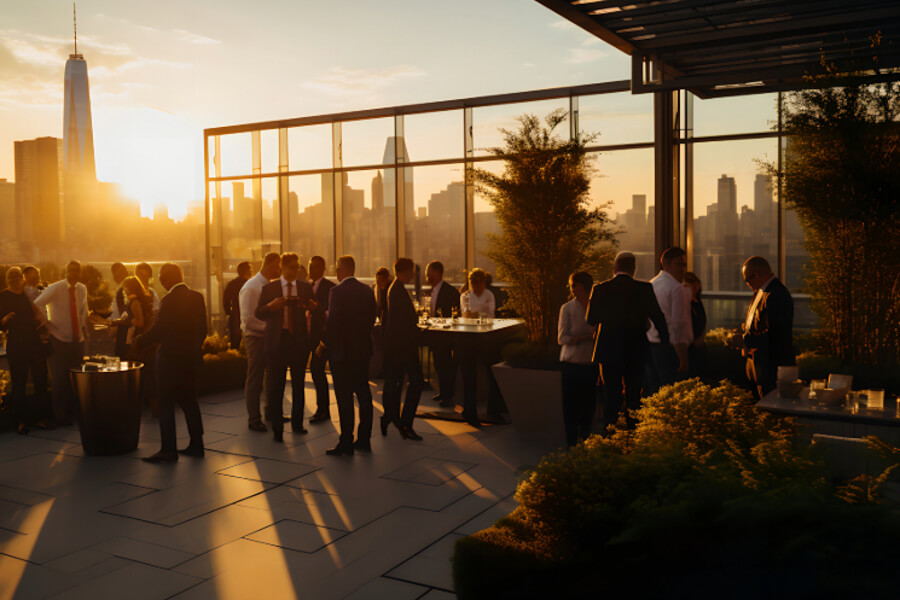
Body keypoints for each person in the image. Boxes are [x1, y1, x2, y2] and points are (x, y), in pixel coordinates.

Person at [587, 252, 669, 432]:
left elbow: (591, 319)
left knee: (611, 396)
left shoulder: (600, 289)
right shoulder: (644, 289)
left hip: (608, 351)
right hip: (636, 351)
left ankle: (610, 436)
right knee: (634, 396)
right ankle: (632, 436)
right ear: (633, 269)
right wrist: (665, 343)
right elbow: (658, 318)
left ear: (615, 268)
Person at [135, 264, 208, 463]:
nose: (159, 281)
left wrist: (140, 340)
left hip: (170, 361)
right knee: (189, 402)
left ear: (167, 279)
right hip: (190, 359)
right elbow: (203, 329)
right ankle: (197, 445)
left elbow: (160, 329)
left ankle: (168, 450)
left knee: (166, 403)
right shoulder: (197, 297)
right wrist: (193, 348)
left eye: (160, 278)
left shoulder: (168, 300)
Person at [317, 255, 377, 456]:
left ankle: (346, 441)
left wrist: (323, 344)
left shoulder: (336, 292)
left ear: (342, 269)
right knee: (364, 395)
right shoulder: (367, 291)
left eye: (336, 267)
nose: (335, 271)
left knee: (344, 398)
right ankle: (364, 439)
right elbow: (371, 319)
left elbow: (333, 323)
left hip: (342, 353)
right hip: (361, 351)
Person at [255, 252, 316, 442]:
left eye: (297, 267)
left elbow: (315, 311)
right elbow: (258, 313)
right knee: (276, 386)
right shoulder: (270, 288)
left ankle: (298, 424)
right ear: (282, 267)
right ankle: (277, 429)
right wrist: (271, 306)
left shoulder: (305, 288)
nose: (295, 271)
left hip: (298, 341)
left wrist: (312, 308)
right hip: (277, 341)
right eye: (292, 267)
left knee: (298, 385)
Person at [33, 261, 89, 425]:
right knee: (59, 380)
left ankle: (73, 414)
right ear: (66, 271)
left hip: (77, 340)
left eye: (77, 271)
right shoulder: (56, 288)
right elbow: (37, 305)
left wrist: (85, 331)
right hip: (58, 339)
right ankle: (59, 416)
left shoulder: (82, 289)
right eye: (71, 270)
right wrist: (47, 323)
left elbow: (82, 311)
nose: (74, 274)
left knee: (76, 379)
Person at [0, 267, 49, 433]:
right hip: (16, 344)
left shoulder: (28, 295)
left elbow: (41, 314)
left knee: (40, 380)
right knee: (19, 383)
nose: (13, 280)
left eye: (16, 277)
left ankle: (41, 418)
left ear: (22, 278)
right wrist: (4, 320)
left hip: (34, 342)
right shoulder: (3, 296)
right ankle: (20, 422)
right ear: (7, 280)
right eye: (10, 277)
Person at [382, 258, 425, 441]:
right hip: (404, 347)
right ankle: (404, 422)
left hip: (396, 347)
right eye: (412, 272)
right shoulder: (398, 291)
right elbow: (404, 322)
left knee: (395, 383)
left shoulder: (395, 288)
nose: (413, 275)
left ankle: (391, 418)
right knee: (416, 382)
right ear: (405, 272)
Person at [741, 256, 795, 399]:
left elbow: (775, 335)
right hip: (761, 364)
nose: (747, 283)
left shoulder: (775, 295)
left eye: (747, 280)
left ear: (756, 275)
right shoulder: (763, 292)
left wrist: (745, 340)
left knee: (770, 405)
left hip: (771, 366)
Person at [239, 252, 281, 432]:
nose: (281, 270)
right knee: (255, 378)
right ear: (270, 264)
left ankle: (270, 412)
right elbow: (248, 320)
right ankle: (254, 418)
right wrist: (271, 329)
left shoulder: (268, 285)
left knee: (271, 376)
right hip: (255, 338)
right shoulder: (252, 287)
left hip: (267, 337)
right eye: (279, 266)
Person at [458, 268, 504, 427]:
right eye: (473, 283)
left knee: (492, 373)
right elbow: (466, 314)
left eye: (479, 283)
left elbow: (490, 315)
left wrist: (475, 315)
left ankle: (494, 409)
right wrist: (478, 315)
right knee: (469, 377)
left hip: (486, 338)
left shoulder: (489, 295)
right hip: (468, 339)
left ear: (484, 283)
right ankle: (469, 411)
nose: (476, 287)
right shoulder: (465, 296)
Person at [645, 247, 692, 396]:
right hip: (672, 349)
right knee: (672, 393)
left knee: (654, 391)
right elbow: (677, 324)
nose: (683, 269)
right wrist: (683, 358)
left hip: (652, 346)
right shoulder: (677, 288)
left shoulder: (651, 284)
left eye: (684, 265)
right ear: (665, 263)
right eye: (679, 264)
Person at [558, 271, 597, 447]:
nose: (572, 289)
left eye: (575, 285)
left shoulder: (596, 306)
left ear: (584, 286)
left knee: (589, 406)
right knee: (571, 407)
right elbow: (562, 338)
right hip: (571, 363)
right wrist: (584, 338)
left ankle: (586, 440)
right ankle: (571, 443)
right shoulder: (567, 308)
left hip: (591, 362)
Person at [425, 261, 460, 408]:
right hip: (436, 335)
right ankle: (443, 392)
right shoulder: (432, 291)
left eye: (430, 272)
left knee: (445, 365)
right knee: (438, 365)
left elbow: (454, 313)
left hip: (445, 335)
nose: (427, 276)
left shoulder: (449, 291)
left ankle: (448, 396)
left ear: (438, 273)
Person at [307, 255, 335, 424]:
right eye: (310, 266)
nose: (311, 270)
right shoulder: (307, 286)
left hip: (324, 338)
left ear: (322, 269)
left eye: (314, 266)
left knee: (317, 370)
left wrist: (317, 309)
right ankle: (322, 409)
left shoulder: (330, 288)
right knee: (315, 372)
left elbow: (331, 313)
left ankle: (323, 410)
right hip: (310, 336)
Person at [107, 276, 154, 360]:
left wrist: (124, 321)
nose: (124, 290)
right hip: (127, 337)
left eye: (125, 287)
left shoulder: (134, 302)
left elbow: (139, 322)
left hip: (130, 338)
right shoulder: (132, 301)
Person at [683, 272, 708, 379]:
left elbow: (702, 322)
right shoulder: (684, 303)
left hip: (698, 345)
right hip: (688, 346)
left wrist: (701, 337)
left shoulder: (697, 303)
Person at [370, 266, 392, 378]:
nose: (379, 283)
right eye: (377, 281)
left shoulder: (389, 291)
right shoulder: (377, 289)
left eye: (381, 281)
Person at [223, 261, 252, 350]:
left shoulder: (232, 283)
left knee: (235, 342)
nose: (251, 271)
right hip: (248, 315)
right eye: (250, 269)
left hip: (235, 314)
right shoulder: (249, 284)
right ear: (246, 271)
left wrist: (229, 312)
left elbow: (225, 300)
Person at [110, 262, 131, 358]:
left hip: (124, 334)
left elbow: (125, 317)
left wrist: (112, 322)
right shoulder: (124, 289)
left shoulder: (123, 291)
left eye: (115, 272)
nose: (114, 276)